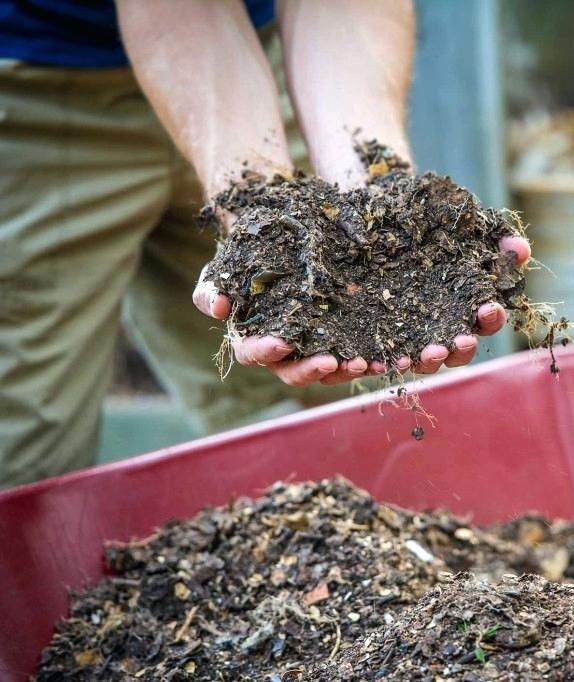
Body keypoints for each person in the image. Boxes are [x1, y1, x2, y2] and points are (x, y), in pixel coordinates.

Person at [0, 0, 530, 488]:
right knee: (24, 446)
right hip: (38, 91)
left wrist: (381, 182)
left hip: (254, 58)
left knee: (318, 422)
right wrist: (259, 209)